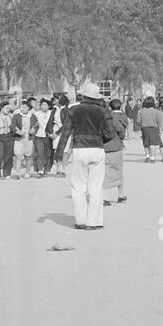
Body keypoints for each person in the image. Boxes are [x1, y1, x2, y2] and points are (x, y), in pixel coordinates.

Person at [64, 81, 115, 229]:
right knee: (96, 187)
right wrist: (101, 139)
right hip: (97, 149)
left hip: (79, 149)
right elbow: (111, 133)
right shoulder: (103, 111)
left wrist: (60, 153)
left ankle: (80, 220)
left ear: (82, 95)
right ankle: (94, 222)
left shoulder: (74, 110)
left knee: (78, 186)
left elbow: (66, 132)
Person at [102, 98, 129, 204]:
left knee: (105, 172)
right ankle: (120, 195)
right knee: (118, 171)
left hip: (104, 146)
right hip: (116, 146)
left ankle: (105, 197)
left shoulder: (106, 116)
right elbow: (122, 134)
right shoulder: (122, 117)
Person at [34, 97, 55, 176]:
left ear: (49, 106)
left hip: (48, 136)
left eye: (45, 105)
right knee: (40, 153)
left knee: (48, 153)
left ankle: (47, 169)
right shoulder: (37, 114)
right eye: (42, 105)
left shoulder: (52, 113)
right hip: (39, 136)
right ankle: (40, 170)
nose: (43, 106)